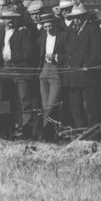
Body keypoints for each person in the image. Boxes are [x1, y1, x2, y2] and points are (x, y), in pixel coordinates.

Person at [0, 8, 38, 138]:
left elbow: (29, 52)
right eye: (6, 19)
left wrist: (13, 56)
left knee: (25, 100)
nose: (9, 21)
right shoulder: (1, 33)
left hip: (20, 70)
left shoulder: (22, 33)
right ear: (3, 21)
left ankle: (27, 131)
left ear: (16, 20)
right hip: (5, 69)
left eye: (12, 18)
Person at [63, 3, 101, 132]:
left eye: (79, 17)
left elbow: (97, 53)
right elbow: (67, 51)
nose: (76, 20)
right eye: (74, 17)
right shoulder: (71, 32)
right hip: (73, 76)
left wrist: (88, 66)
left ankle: (94, 135)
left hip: (88, 76)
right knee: (75, 109)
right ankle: (82, 133)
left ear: (84, 16)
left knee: (92, 109)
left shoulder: (93, 30)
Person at [36, 11, 69, 140]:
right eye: (46, 27)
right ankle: (47, 134)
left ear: (55, 25)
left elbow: (68, 55)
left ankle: (47, 133)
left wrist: (56, 57)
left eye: (50, 26)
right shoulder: (42, 38)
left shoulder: (62, 36)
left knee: (51, 105)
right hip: (44, 71)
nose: (48, 29)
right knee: (45, 106)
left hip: (56, 70)